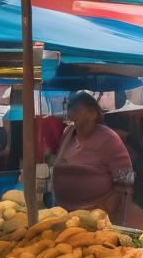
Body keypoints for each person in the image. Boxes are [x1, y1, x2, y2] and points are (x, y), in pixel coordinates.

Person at [52, 91, 136, 223]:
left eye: (77, 110)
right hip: (65, 216)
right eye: (71, 110)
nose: (71, 114)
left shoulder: (109, 139)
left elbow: (125, 182)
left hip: (97, 219)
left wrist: (107, 210)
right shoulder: (68, 134)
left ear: (92, 113)